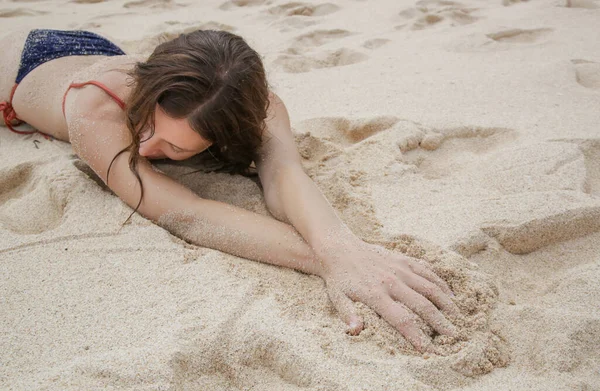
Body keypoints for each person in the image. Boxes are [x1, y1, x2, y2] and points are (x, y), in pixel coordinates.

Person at [0, 28, 460, 352]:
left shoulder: (256, 106)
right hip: (24, 63)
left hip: (98, 49)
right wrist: (329, 260)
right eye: (144, 122)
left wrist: (342, 244)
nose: (144, 146)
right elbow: (185, 211)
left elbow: (284, 176)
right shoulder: (95, 108)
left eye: (174, 146)